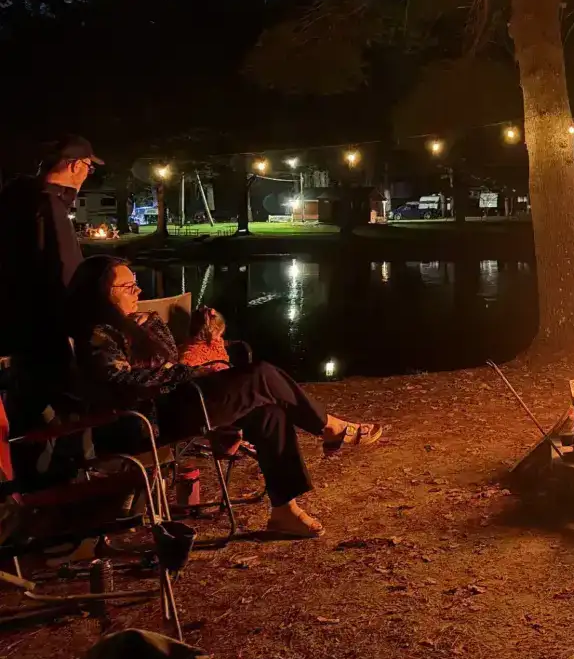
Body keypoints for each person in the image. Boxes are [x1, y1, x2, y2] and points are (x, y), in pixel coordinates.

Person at [67, 256, 383, 538]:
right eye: (127, 287)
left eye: (137, 285)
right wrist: (188, 373)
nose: (138, 293)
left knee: (269, 410)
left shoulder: (137, 323)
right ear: (101, 294)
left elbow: (172, 359)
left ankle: (284, 509)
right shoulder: (99, 334)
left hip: (179, 401)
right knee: (260, 374)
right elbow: (121, 382)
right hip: (152, 419)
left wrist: (152, 328)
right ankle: (329, 428)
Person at [0, 135, 102, 428]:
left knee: (26, 404)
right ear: (73, 165)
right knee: (57, 410)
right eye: (87, 167)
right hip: (44, 328)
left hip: (14, 325)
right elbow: (67, 274)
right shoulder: (49, 208)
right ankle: (60, 468)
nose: (87, 175)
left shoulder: (13, 199)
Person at [179, 306, 231, 373]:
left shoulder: (216, 343)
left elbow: (223, 360)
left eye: (221, 334)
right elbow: (191, 373)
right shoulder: (192, 354)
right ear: (205, 334)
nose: (219, 339)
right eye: (218, 334)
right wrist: (207, 370)